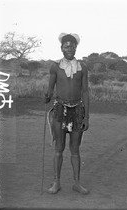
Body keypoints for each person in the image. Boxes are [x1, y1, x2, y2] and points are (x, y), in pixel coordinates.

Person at [44, 33, 89, 194]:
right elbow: (50, 88)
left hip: (78, 110)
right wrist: (47, 95)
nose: (70, 48)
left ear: (76, 47)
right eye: (66, 46)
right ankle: (56, 183)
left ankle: (77, 183)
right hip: (60, 109)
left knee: (75, 149)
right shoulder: (55, 66)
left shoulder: (82, 67)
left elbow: (85, 91)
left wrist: (86, 116)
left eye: (72, 46)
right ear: (61, 48)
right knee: (59, 147)